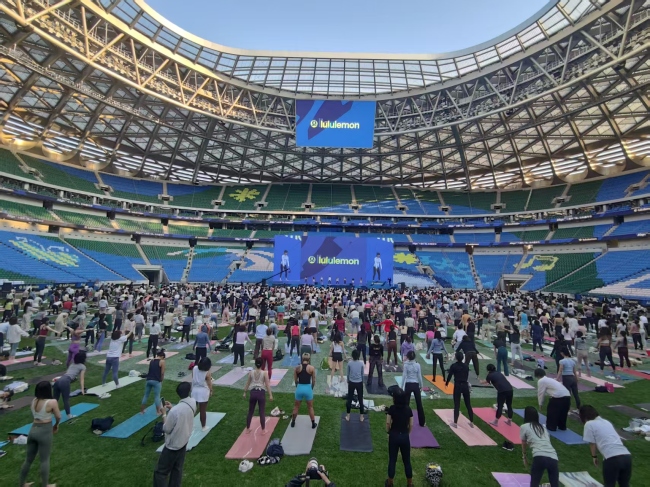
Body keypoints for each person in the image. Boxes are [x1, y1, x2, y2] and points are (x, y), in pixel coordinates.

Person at [153, 382, 197, 487]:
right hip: (184, 441)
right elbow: (182, 414)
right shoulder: (193, 402)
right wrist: (172, 408)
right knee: (177, 469)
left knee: (160, 472)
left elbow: (166, 429)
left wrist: (164, 414)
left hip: (173, 446)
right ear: (189, 391)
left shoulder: (175, 411)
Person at [19, 381, 61, 487]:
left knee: (28, 460)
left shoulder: (34, 401)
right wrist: (56, 425)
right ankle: (45, 485)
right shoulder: (52, 402)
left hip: (33, 430)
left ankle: (22, 483)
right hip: (44, 431)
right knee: (44, 460)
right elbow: (58, 416)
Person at [579, 405, 632, 487]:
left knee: (609, 484)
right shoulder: (606, 422)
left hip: (612, 458)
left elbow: (592, 443)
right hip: (626, 456)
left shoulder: (589, 424)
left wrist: (594, 457)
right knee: (624, 484)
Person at [520, 406, 560, 487]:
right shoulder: (543, 428)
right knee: (555, 484)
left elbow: (523, 443)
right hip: (553, 457)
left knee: (534, 483)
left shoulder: (524, 426)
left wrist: (524, 457)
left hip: (539, 456)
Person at [385, 388, 413, 487]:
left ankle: (390, 483)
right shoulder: (408, 409)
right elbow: (411, 424)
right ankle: (410, 483)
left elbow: (388, 423)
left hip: (394, 436)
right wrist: (407, 433)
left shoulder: (392, 408)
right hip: (404, 436)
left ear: (395, 398)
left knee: (392, 460)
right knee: (407, 461)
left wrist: (389, 432)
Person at [243, 357, 273, 434]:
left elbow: (248, 383)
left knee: (250, 411)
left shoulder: (251, 372)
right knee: (261, 412)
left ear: (255, 364)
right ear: (262, 364)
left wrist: (245, 392)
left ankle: (247, 429)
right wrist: (270, 395)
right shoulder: (264, 373)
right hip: (261, 393)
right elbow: (267, 385)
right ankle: (263, 430)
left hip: (253, 393)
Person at [53, 350, 86, 417]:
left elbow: (68, 374)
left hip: (59, 380)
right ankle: (69, 415)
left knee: (55, 399)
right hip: (65, 381)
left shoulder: (72, 364)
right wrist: (82, 389)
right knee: (66, 399)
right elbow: (82, 379)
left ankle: (53, 412)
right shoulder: (83, 367)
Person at [446, 351, 474, 428]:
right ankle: (471, 422)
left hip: (458, 385)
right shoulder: (466, 366)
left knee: (457, 404)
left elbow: (450, 375)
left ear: (456, 357)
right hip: (465, 385)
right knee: (468, 404)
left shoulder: (454, 366)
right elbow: (466, 375)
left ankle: (455, 423)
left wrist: (447, 383)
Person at [292, 353, 317, 429]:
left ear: (302, 359)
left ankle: (293, 422)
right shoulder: (311, 368)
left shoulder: (297, 368)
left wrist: (298, 387)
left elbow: (295, 380)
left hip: (299, 388)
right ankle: (313, 423)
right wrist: (311, 388)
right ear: (309, 359)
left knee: (296, 406)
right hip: (308, 388)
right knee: (310, 407)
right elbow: (313, 380)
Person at [401, 350, 425, 427]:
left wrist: (401, 387)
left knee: (406, 404)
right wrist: (421, 385)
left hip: (408, 385)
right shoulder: (417, 365)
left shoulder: (406, 365)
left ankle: (404, 422)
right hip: (415, 385)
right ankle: (422, 422)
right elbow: (419, 376)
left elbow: (404, 376)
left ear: (408, 357)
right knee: (419, 403)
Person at [191, 357, 213, 431]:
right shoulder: (207, 373)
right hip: (203, 392)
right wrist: (211, 390)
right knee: (202, 411)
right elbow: (209, 384)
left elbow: (193, 378)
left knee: (193, 409)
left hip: (194, 390)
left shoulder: (194, 368)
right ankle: (203, 427)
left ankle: (191, 424)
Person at [141, 350, 166, 415]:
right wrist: (161, 380)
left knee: (146, 395)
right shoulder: (162, 361)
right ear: (162, 356)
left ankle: (142, 411)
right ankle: (158, 412)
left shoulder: (152, 361)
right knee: (157, 396)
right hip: (156, 381)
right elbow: (162, 373)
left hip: (149, 380)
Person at [345, 349, 365, 422]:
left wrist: (348, 380)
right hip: (359, 383)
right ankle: (361, 417)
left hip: (352, 382)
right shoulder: (361, 363)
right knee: (360, 399)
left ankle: (348, 416)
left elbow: (348, 373)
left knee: (349, 399)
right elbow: (362, 374)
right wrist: (362, 381)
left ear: (352, 356)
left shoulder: (350, 363)